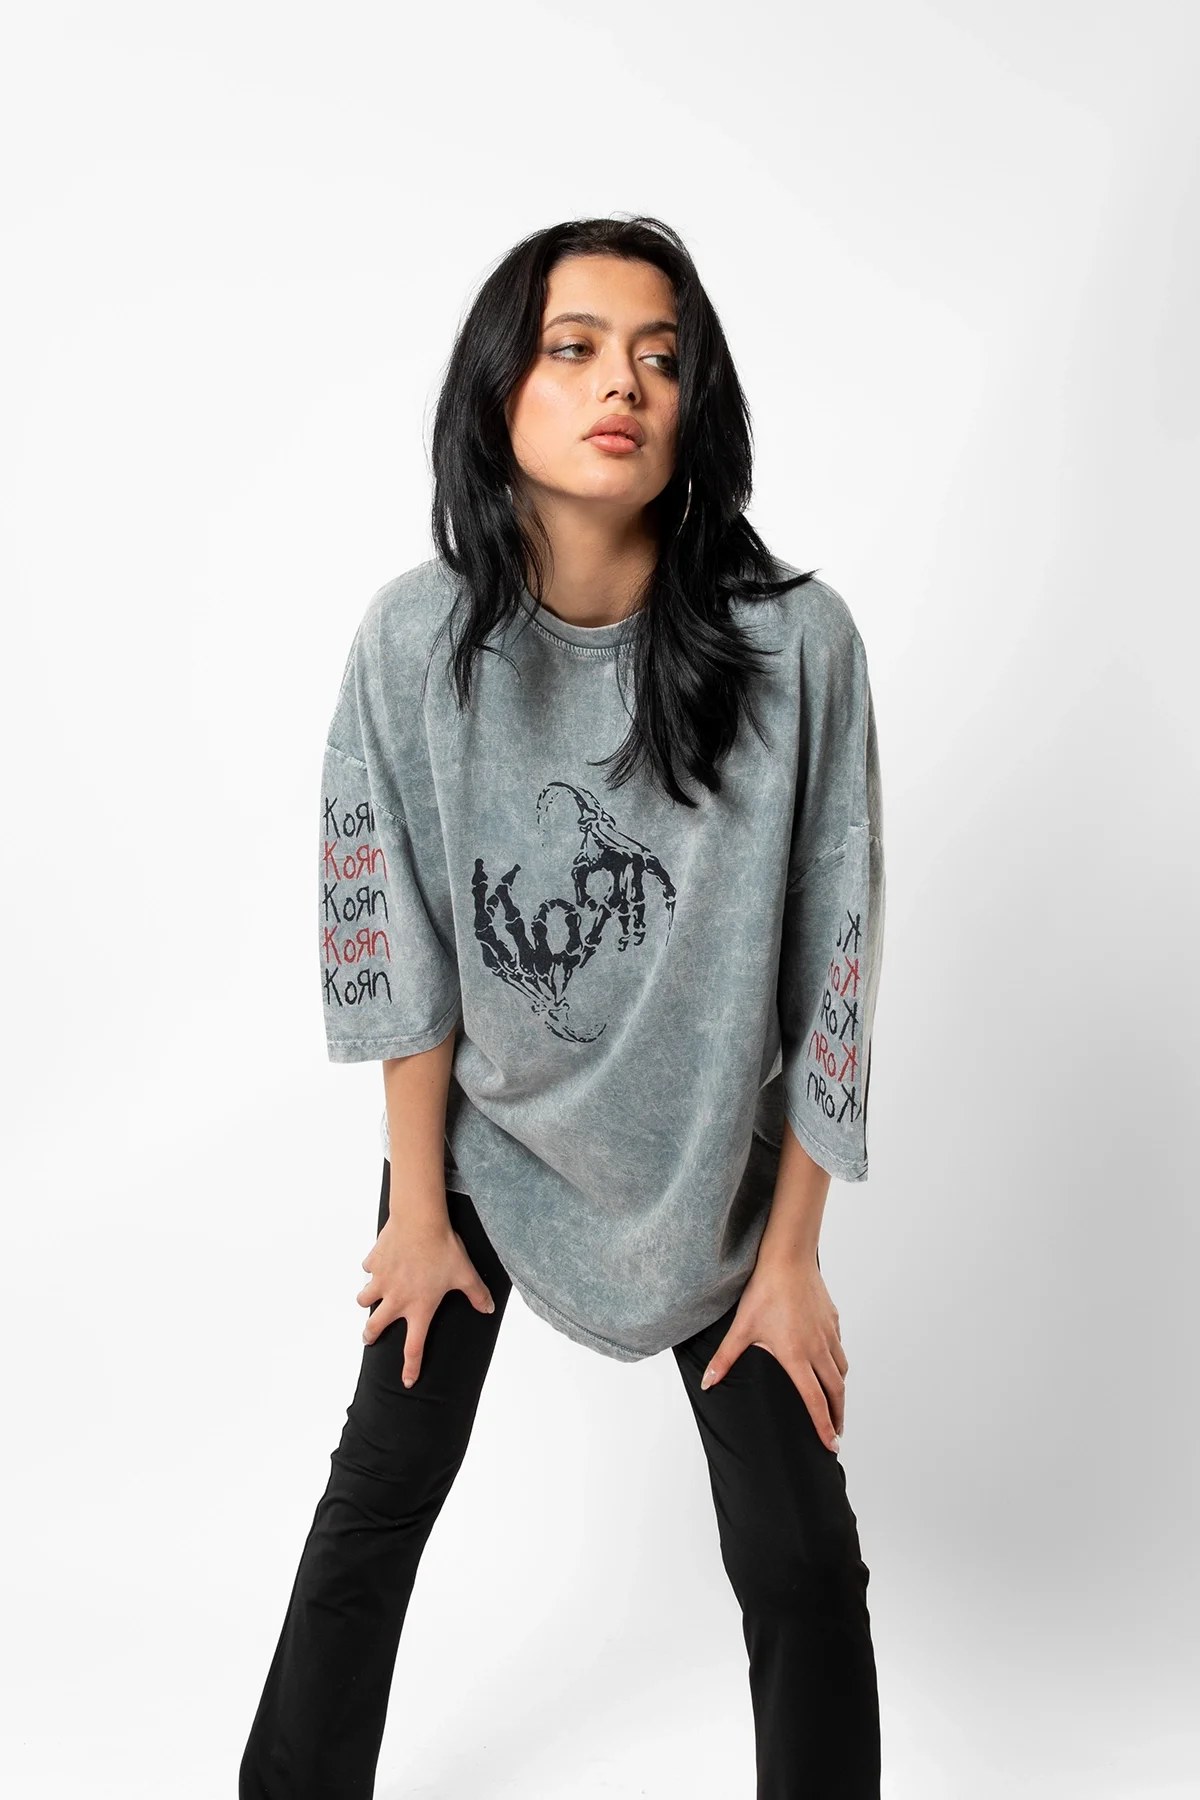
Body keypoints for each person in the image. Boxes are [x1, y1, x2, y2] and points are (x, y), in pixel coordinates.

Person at [239, 213, 887, 1800]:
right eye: (575, 347)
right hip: (479, 1150)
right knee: (376, 1501)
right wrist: (417, 1210)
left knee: (801, 1560)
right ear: (499, 392)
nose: (625, 385)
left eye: (663, 357)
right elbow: (392, 936)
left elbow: (840, 957)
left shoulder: (796, 644)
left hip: (717, 1179)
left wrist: (793, 1258)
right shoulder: (415, 640)